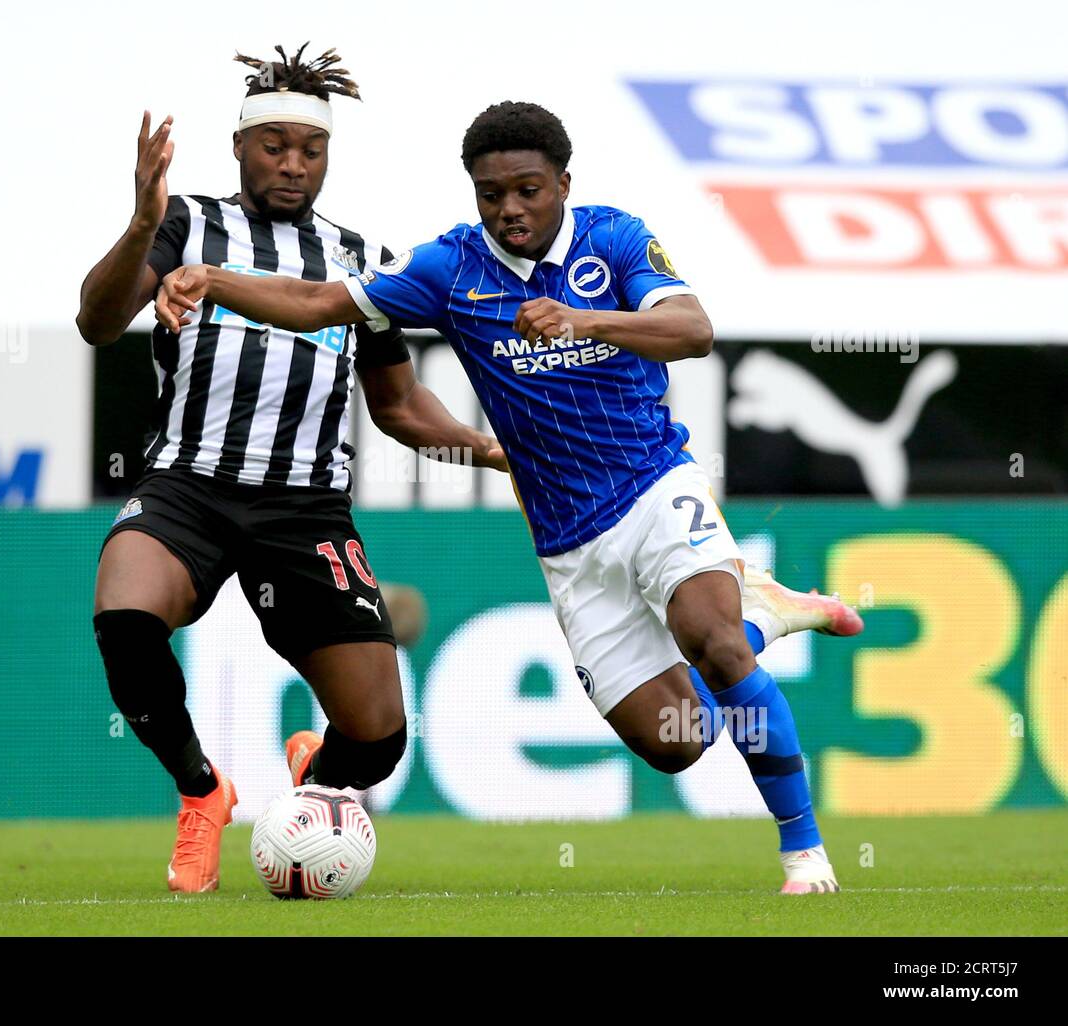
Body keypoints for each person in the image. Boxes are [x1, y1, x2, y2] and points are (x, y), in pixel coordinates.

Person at [154, 100, 865, 894]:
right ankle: (770, 615)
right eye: (491, 195)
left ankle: (804, 854)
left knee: (715, 643)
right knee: (676, 740)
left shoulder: (616, 239)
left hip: (655, 483)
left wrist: (583, 322)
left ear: (563, 182)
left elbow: (694, 331)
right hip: (566, 539)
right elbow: (322, 305)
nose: (510, 210)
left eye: (528, 190)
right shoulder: (449, 270)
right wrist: (212, 279)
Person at [75, 45, 504, 893]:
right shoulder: (185, 225)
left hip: (307, 508)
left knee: (378, 737)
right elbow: (97, 320)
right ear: (239, 147)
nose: (292, 163)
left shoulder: (360, 259)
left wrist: (492, 449)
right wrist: (137, 221)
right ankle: (203, 792)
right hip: (186, 488)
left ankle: (309, 785)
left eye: (310, 150)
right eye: (274, 145)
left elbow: (399, 407)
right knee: (125, 620)